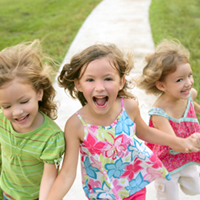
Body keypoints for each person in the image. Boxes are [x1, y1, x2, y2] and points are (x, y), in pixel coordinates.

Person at [46, 43, 200, 200]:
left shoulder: (128, 107)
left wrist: (181, 142)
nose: (99, 87)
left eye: (108, 78)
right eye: (90, 80)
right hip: (101, 194)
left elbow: (145, 132)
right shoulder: (76, 125)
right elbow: (66, 174)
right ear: (78, 84)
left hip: (134, 186)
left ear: (120, 82)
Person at [0, 40, 65, 200]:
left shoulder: (51, 137)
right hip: (7, 192)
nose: (17, 112)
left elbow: (50, 178)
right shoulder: (2, 119)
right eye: (6, 106)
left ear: (39, 93)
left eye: (23, 102)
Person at [138, 39, 200, 200]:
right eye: (180, 80)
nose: (188, 83)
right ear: (162, 86)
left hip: (187, 158)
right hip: (167, 164)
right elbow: (174, 143)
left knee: (195, 188)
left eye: (189, 76)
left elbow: (193, 105)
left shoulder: (188, 95)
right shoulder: (159, 113)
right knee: (168, 196)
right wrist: (194, 141)